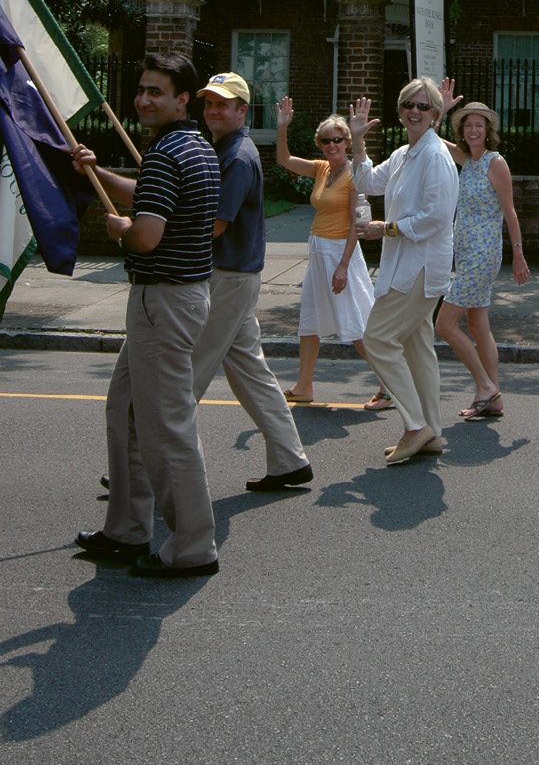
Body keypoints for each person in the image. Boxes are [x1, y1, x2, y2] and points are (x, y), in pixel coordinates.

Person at [73, 51, 221, 578]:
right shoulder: (194, 147)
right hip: (174, 299)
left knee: (165, 427)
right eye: (141, 89)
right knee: (127, 411)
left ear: (183, 99)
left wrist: (118, 230)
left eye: (156, 91)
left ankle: (192, 546)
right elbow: (151, 196)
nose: (143, 99)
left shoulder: (167, 153)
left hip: (163, 300)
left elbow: (146, 234)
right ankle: (126, 528)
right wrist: (99, 172)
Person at [190, 72, 313, 492]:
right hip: (236, 279)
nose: (213, 110)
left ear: (243, 111)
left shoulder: (237, 157)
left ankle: (139, 468)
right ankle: (289, 460)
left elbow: (215, 225)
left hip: (226, 279)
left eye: (223, 104)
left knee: (185, 374)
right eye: (208, 103)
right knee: (250, 372)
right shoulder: (225, 148)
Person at [350, 79, 460, 464]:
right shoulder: (403, 154)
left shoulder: (435, 157)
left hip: (421, 266)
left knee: (377, 338)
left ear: (434, 114)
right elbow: (366, 181)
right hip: (405, 263)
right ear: (400, 110)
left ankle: (415, 426)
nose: (414, 111)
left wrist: (387, 228)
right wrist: (358, 139)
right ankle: (430, 431)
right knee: (417, 348)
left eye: (423, 106)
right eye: (407, 105)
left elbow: (437, 218)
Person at [275, 98, 388, 410]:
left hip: (342, 254)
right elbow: (284, 159)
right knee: (309, 320)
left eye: (338, 138)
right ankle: (304, 385)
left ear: (348, 141)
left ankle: (389, 385)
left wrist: (343, 265)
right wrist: (282, 128)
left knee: (356, 324)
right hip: (319, 251)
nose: (331, 145)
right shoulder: (322, 169)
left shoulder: (356, 176)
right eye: (325, 140)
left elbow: (358, 223)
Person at [432, 96, 529, 420]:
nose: (473, 130)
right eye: (468, 125)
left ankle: (485, 386)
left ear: (488, 130)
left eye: (479, 125)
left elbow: (511, 210)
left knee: (444, 324)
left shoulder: (494, 162)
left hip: (482, 256)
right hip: (467, 254)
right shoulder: (467, 160)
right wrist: (441, 112)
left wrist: (518, 254)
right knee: (477, 324)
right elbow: (429, 136)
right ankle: (493, 396)